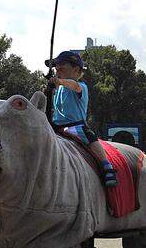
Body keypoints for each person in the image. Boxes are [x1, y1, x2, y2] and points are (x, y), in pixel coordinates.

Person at [46, 51, 118, 188]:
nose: (58, 70)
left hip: (74, 126)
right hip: (55, 127)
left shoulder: (81, 87)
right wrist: (50, 89)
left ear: (76, 70)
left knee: (88, 134)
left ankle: (106, 165)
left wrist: (60, 81)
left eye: (62, 67)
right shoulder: (59, 88)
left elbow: (74, 86)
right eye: (56, 68)